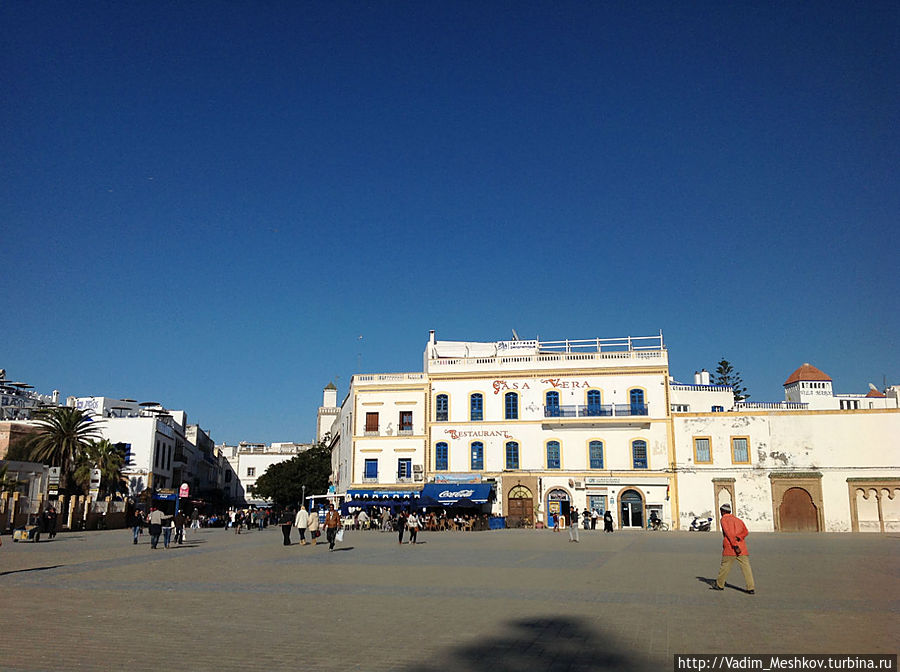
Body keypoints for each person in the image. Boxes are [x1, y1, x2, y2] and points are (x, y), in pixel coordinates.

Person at [712, 503, 755, 594]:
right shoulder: (738, 520)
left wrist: (735, 545)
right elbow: (746, 531)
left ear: (722, 511)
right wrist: (739, 537)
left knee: (725, 567)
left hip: (730, 547)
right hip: (742, 547)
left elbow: (728, 533)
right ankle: (750, 587)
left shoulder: (724, 520)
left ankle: (719, 584)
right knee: (746, 568)